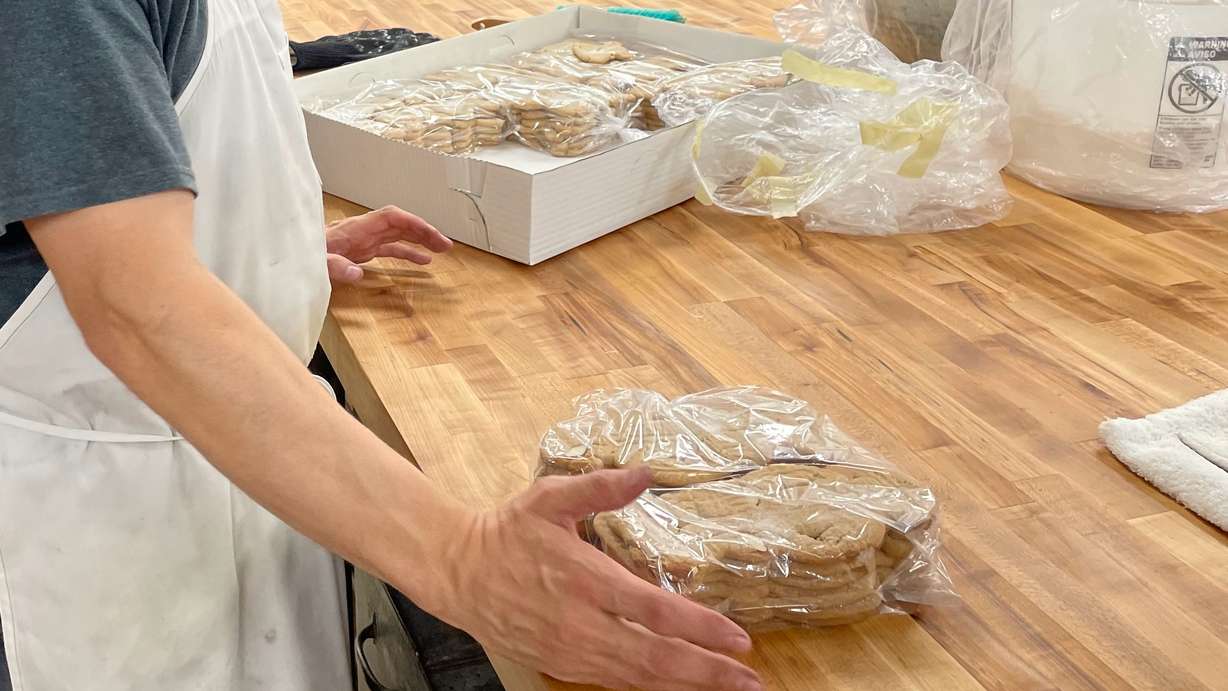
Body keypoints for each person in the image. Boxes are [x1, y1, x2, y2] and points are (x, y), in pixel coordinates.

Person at [0, 2, 765, 690]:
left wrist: (266, 253)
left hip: (258, 463)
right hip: (111, 517)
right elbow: (138, 308)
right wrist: (461, 557)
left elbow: (115, 169)